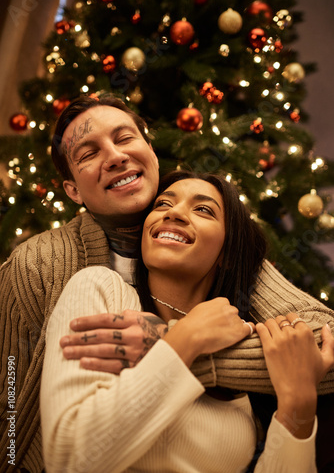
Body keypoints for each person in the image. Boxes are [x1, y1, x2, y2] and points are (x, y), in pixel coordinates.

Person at [1, 95, 334, 472]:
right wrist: (182, 340)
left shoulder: (226, 262)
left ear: (151, 153)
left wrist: (171, 341)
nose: (114, 156)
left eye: (125, 138)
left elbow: (325, 340)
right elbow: (9, 392)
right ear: (73, 190)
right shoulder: (47, 266)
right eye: (88, 153)